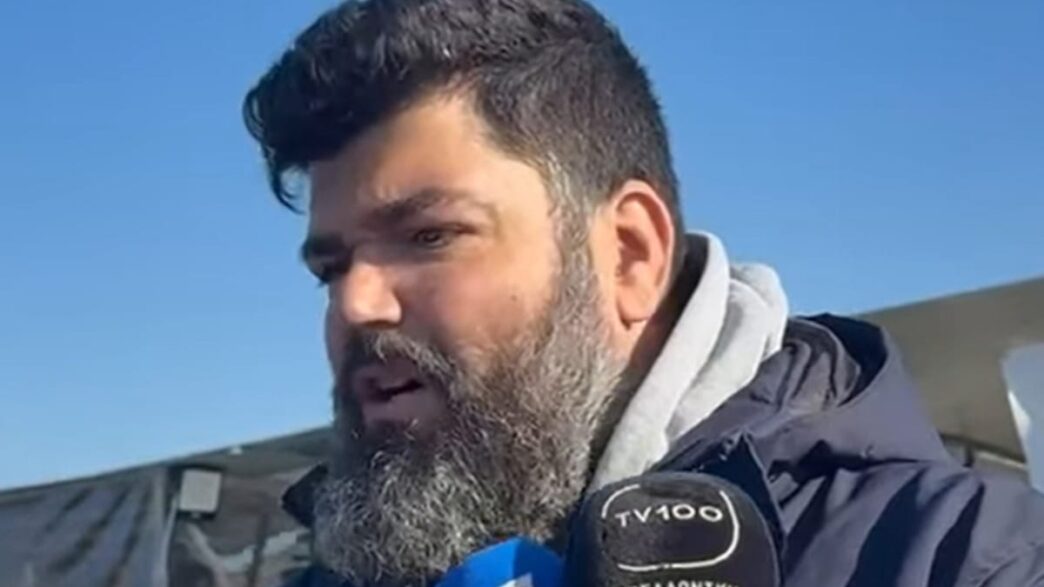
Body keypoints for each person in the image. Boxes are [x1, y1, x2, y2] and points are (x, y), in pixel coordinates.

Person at [241, 1, 1044, 585]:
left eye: (429, 236)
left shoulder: (970, 562)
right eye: (330, 267)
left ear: (629, 255)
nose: (356, 305)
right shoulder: (344, 571)